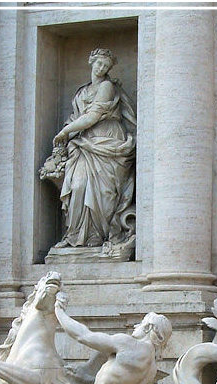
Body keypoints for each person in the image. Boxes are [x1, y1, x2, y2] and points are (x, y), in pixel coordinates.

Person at [47, 48, 137, 248]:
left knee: (103, 194)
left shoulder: (107, 87)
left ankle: (96, 237)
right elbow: (78, 117)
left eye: (106, 66)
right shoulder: (82, 91)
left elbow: (93, 116)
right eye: (99, 64)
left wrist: (66, 132)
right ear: (91, 62)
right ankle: (75, 236)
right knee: (78, 186)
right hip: (85, 143)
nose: (102, 68)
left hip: (106, 139)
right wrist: (69, 132)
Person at [54, 304, 171, 384]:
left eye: (141, 323)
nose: (136, 326)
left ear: (149, 327)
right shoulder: (152, 369)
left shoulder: (130, 345)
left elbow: (83, 336)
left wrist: (59, 311)